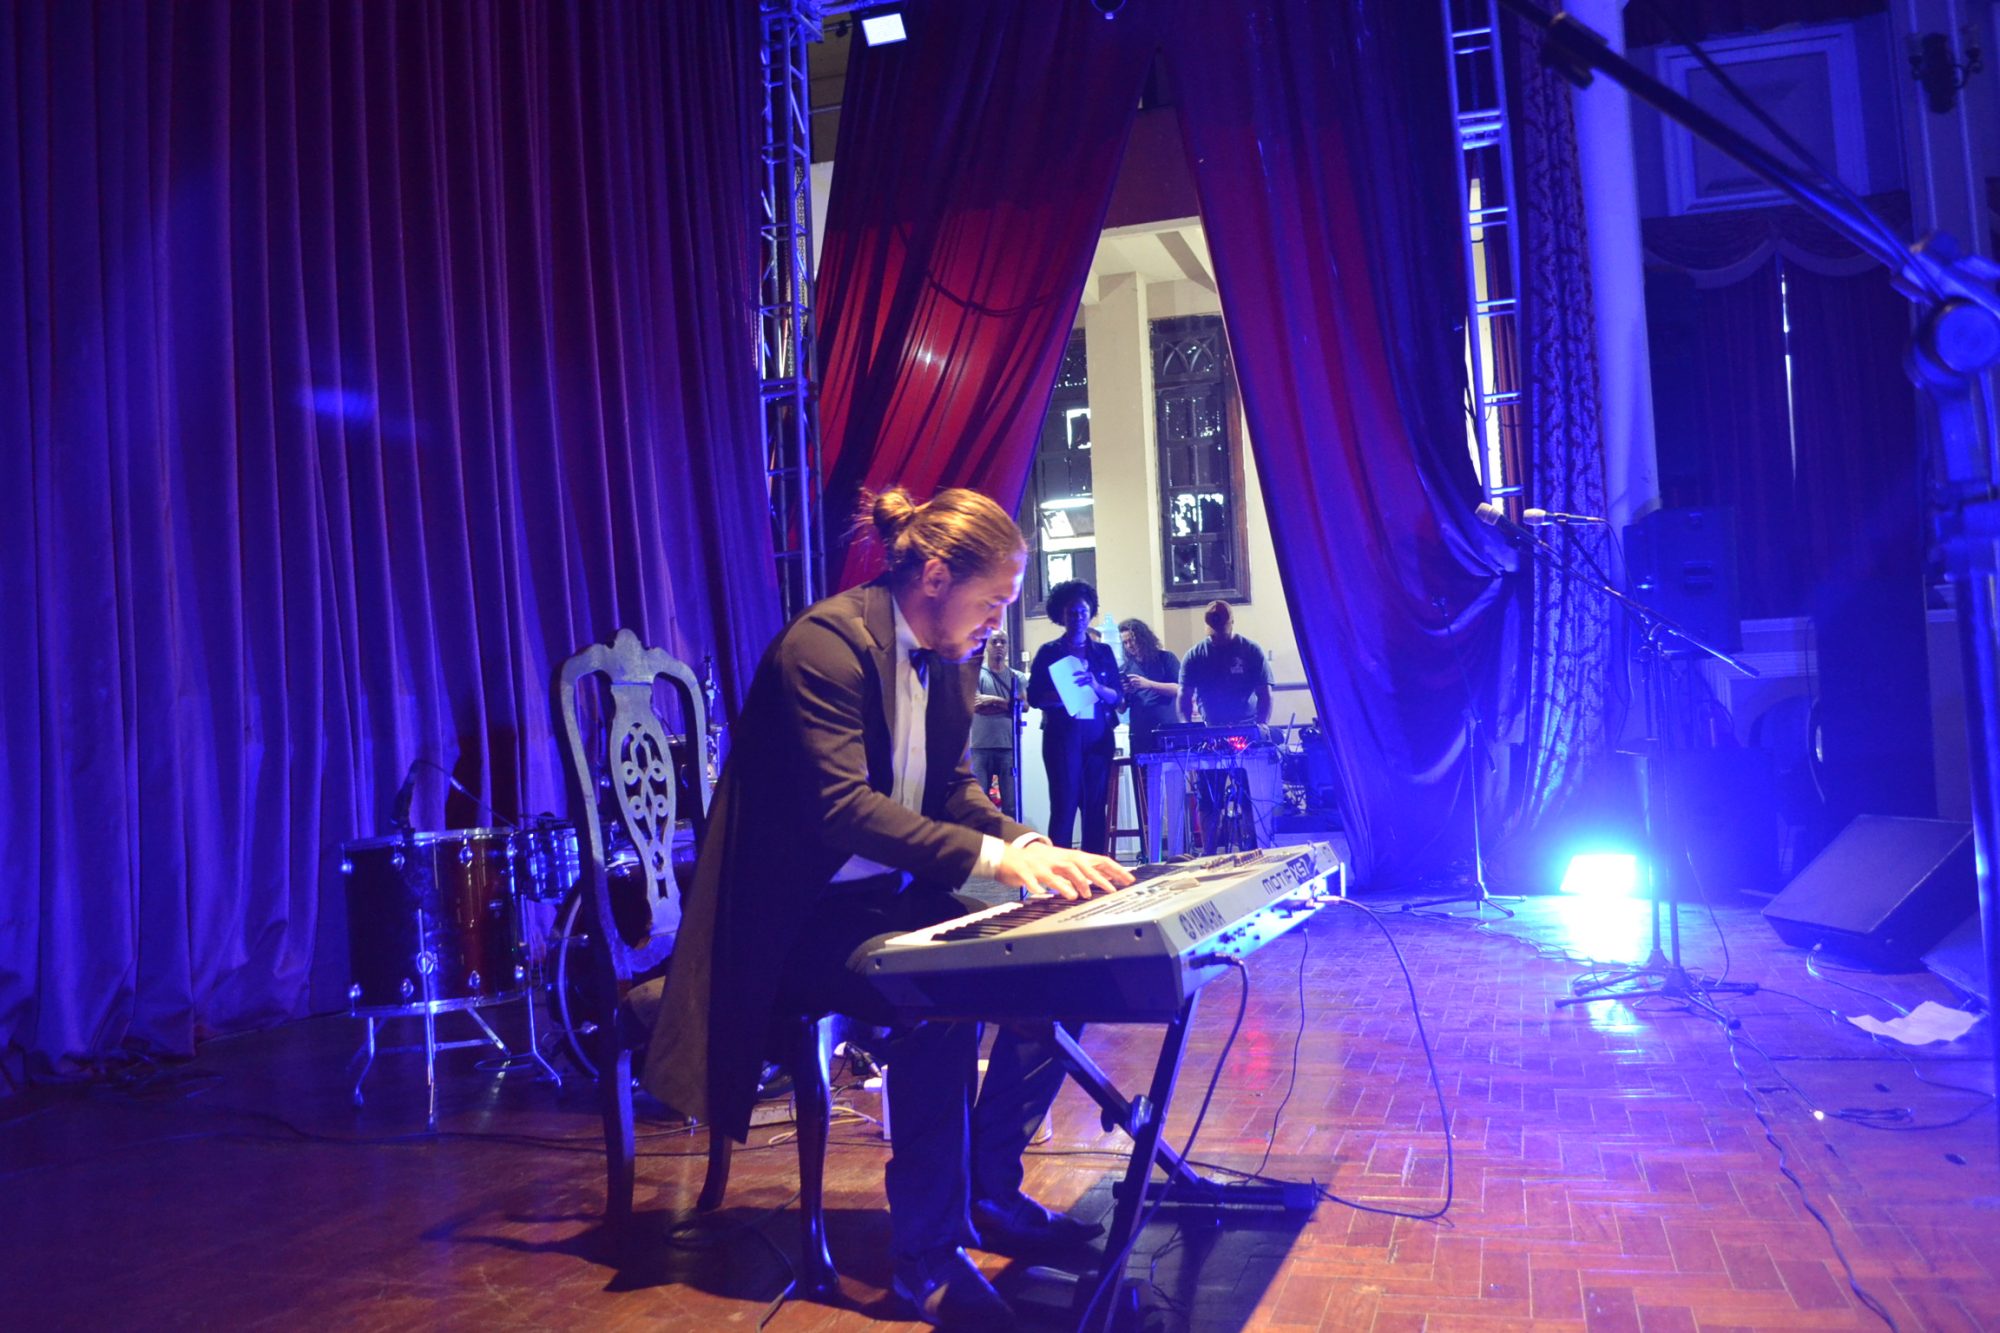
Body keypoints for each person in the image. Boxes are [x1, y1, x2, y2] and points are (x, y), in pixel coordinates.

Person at [642, 486, 1131, 1329]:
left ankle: (991, 1191)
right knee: (937, 994)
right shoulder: (822, 647)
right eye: (993, 602)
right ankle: (926, 1262)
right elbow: (844, 809)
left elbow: (949, 787)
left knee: (1059, 959)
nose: (999, 624)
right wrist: (995, 860)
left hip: (883, 899)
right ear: (936, 577)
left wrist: (1033, 844)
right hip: (794, 920)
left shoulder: (950, 652)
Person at [1026, 581, 1123, 855]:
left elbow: (1118, 697)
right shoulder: (1049, 652)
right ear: (1062, 615)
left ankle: (1096, 869)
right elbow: (1033, 697)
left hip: (1098, 737)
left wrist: (1096, 686)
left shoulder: (1103, 653)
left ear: (1090, 613)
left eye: (1083, 612)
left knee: (1095, 808)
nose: (1078, 618)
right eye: (1072, 613)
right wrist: (1062, 694)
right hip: (1062, 738)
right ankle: (1061, 871)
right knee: (1063, 806)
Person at [1178, 599, 1273, 854]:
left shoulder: (1250, 651)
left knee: (1250, 797)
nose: (1218, 633)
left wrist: (1261, 727)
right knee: (1209, 799)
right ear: (1206, 625)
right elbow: (1184, 696)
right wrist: (1187, 729)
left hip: (1245, 732)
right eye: (1213, 628)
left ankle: (1254, 849)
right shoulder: (1195, 655)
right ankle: (1208, 854)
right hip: (1211, 733)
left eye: (1222, 626)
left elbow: (1265, 694)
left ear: (1232, 622)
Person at [969, 630, 1025, 820]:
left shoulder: (1017, 677)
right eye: (994, 642)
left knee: (1011, 805)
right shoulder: (976, 674)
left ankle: (1012, 837)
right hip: (980, 747)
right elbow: (976, 705)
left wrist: (992, 700)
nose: (999, 646)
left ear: (1008, 646)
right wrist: (1008, 706)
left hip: (1008, 748)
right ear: (986, 645)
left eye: (1003, 642)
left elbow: (1023, 706)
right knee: (979, 806)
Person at [1116, 618, 1180, 756]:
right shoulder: (1125, 669)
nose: (1129, 645)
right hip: (1139, 735)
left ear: (1143, 638)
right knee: (1141, 770)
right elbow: (1121, 709)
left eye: (1132, 640)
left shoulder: (1166, 658)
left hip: (1166, 731)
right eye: (1125, 643)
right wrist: (1121, 692)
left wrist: (1149, 684)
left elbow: (1179, 689)